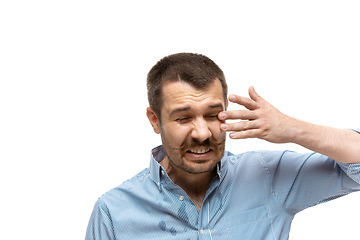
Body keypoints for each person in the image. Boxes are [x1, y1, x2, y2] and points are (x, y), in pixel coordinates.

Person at [85, 53, 360, 239]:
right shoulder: (113, 213)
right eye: (183, 118)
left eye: (211, 114)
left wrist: (291, 129)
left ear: (226, 110)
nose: (202, 133)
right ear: (154, 120)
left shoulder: (269, 177)